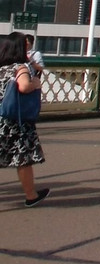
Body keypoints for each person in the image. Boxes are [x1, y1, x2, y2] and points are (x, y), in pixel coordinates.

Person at [1, 32, 48, 207]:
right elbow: (24, 86)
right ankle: (31, 195)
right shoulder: (19, 67)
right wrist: (35, 83)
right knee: (22, 158)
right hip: (14, 120)